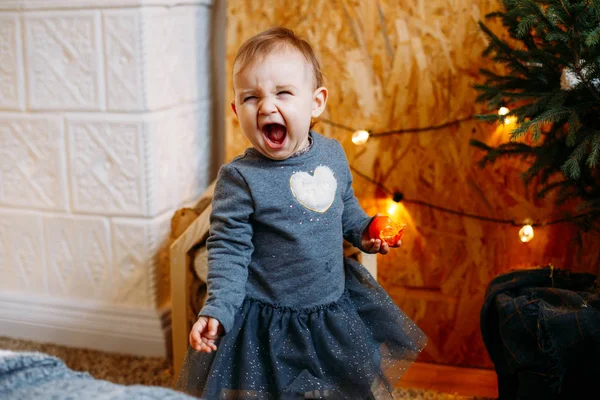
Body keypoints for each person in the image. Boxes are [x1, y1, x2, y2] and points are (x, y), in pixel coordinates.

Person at [176, 26, 426, 400]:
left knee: (338, 385)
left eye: (283, 93)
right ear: (235, 110)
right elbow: (227, 249)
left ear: (315, 103)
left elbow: (347, 213)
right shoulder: (240, 178)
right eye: (250, 98)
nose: (265, 106)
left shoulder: (333, 154)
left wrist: (367, 231)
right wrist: (217, 309)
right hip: (269, 319)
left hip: (330, 307)